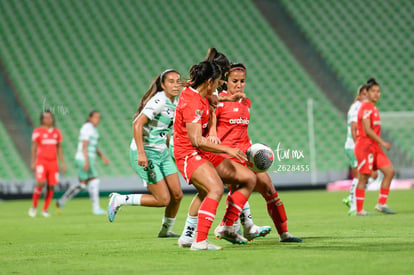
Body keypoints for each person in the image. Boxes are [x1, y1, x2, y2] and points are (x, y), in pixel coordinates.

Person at [178, 48, 271, 248]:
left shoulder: (204, 92)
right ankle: (200, 241)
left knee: (248, 178)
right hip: (188, 152)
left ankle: (206, 232)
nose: (222, 85)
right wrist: (227, 149)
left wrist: (228, 100)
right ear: (210, 81)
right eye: (220, 81)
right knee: (215, 188)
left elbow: (215, 101)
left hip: (204, 151)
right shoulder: (191, 102)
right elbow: (195, 140)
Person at [212, 63, 302, 242]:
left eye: (242, 81)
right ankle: (227, 226)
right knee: (241, 186)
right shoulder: (218, 102)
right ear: (225, 82)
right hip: (227, 156)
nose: (239, 85)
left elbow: (241, 131)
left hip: (246, 155)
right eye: (235, 81)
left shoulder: (246, 102)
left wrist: (254, 149)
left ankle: (284, 233)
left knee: (269, 190)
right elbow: (212, 128)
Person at [107, 69, 183, 238]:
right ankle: (119, 200)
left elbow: (165, 131)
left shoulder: (175, 103)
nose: (175, 84)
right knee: (163, 199)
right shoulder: (159, 101)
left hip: (162, 153)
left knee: (177, 195)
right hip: (146, 153)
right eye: (171, 81)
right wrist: (142, 153)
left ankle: (166, 231)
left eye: (178, 81)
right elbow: (137, 124)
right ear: (163, 85)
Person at [354, 78, 396, 216]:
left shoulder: (374, 108)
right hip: (365, 146)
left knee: (389, 171)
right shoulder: (365, 107)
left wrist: (379, 144)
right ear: (367, 93)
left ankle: (381, 204)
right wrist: (382, 142)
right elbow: (367, 129)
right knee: (363, 178)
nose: (376, 94)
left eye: (378, 91)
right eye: (373, 91)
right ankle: (359, 210)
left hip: (374, 147)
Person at [56, 111, 110, 215]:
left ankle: (61, 201)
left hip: (87, 158)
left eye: (99, 117)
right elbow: (84, 145)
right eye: (95, 117)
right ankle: (96, 208)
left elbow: (93, 146)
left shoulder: (93, 129)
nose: (97, 119)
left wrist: (102, 157)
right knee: (95, 180)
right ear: (90, 118)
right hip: (85, 158)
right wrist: (86, 161)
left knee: (83, 184)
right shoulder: (87, 127)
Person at [29, 110, 66, 217]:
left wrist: (63, 163)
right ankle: (34, 207)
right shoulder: (38, 131)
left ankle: (45, 209)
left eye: (50, 117)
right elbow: (34, 147)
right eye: (46, 117)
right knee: (41, 183)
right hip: (41, 161)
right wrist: (33, 162)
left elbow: (59, 148)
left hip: (53, 162)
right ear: (42, 119)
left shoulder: (56, 132)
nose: (48, 119)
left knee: (51, 186)